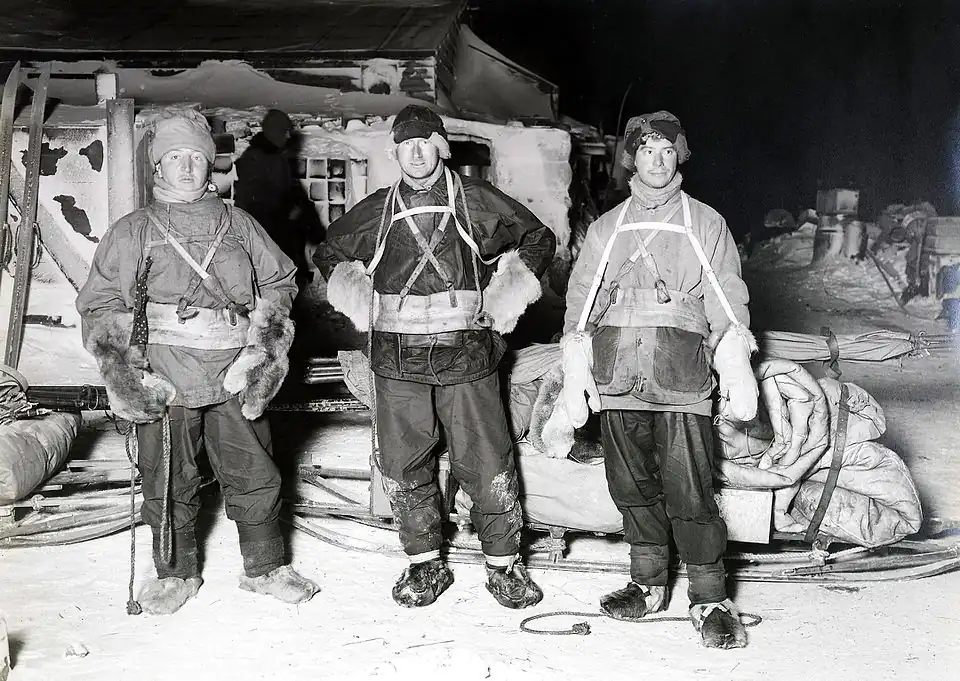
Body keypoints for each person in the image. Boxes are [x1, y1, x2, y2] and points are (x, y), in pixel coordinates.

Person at [76, 108, 319, 615]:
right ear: (157, 167)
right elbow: (100, 303)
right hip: (163, 372)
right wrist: (128, 373)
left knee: (256, 471)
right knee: (167, 475)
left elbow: (278, 283)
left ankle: (266, 565)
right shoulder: (131, 231)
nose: (186, 168)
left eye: (195, 157)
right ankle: (175, 573)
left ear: (210, 166)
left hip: (233, 368)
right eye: (174, 157)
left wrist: (261, 353)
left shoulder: (240, 225)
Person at [319, 105, 556, 609]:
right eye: (407, 144)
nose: (417, 152)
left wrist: (507, 294)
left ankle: (504, 566)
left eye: (426, 141)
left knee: (486, 457)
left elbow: (539, 238)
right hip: (396, 360)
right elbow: (329, 252)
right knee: (404, 463)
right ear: (395, 152)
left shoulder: (475, 201)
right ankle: (424, 563)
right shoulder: (379, 209)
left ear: (441, 147)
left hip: (467, 357)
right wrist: (359, 296)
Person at [561, 111, 758, 648]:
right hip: (618, 376)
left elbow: (728, 301)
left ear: (679, 157)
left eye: (666, 150)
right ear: (632, 158)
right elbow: (583, 304)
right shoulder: (608, 228)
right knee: (630, 486)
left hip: (683, 378)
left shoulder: (706, 224)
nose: (656, 158)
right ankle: (647, 583)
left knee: (690, 489)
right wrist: (576, 365)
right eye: (646, 149)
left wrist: (735, 358)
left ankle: (710, 596)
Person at [234, 108, 322, 287]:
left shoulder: (274, 156)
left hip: (278, 227)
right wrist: (287, 212)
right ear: (274, 132)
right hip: (266, 231)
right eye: (285, 132)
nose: (288, 137)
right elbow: (251, 199)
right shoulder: (255, 159)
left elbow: (286, 189)